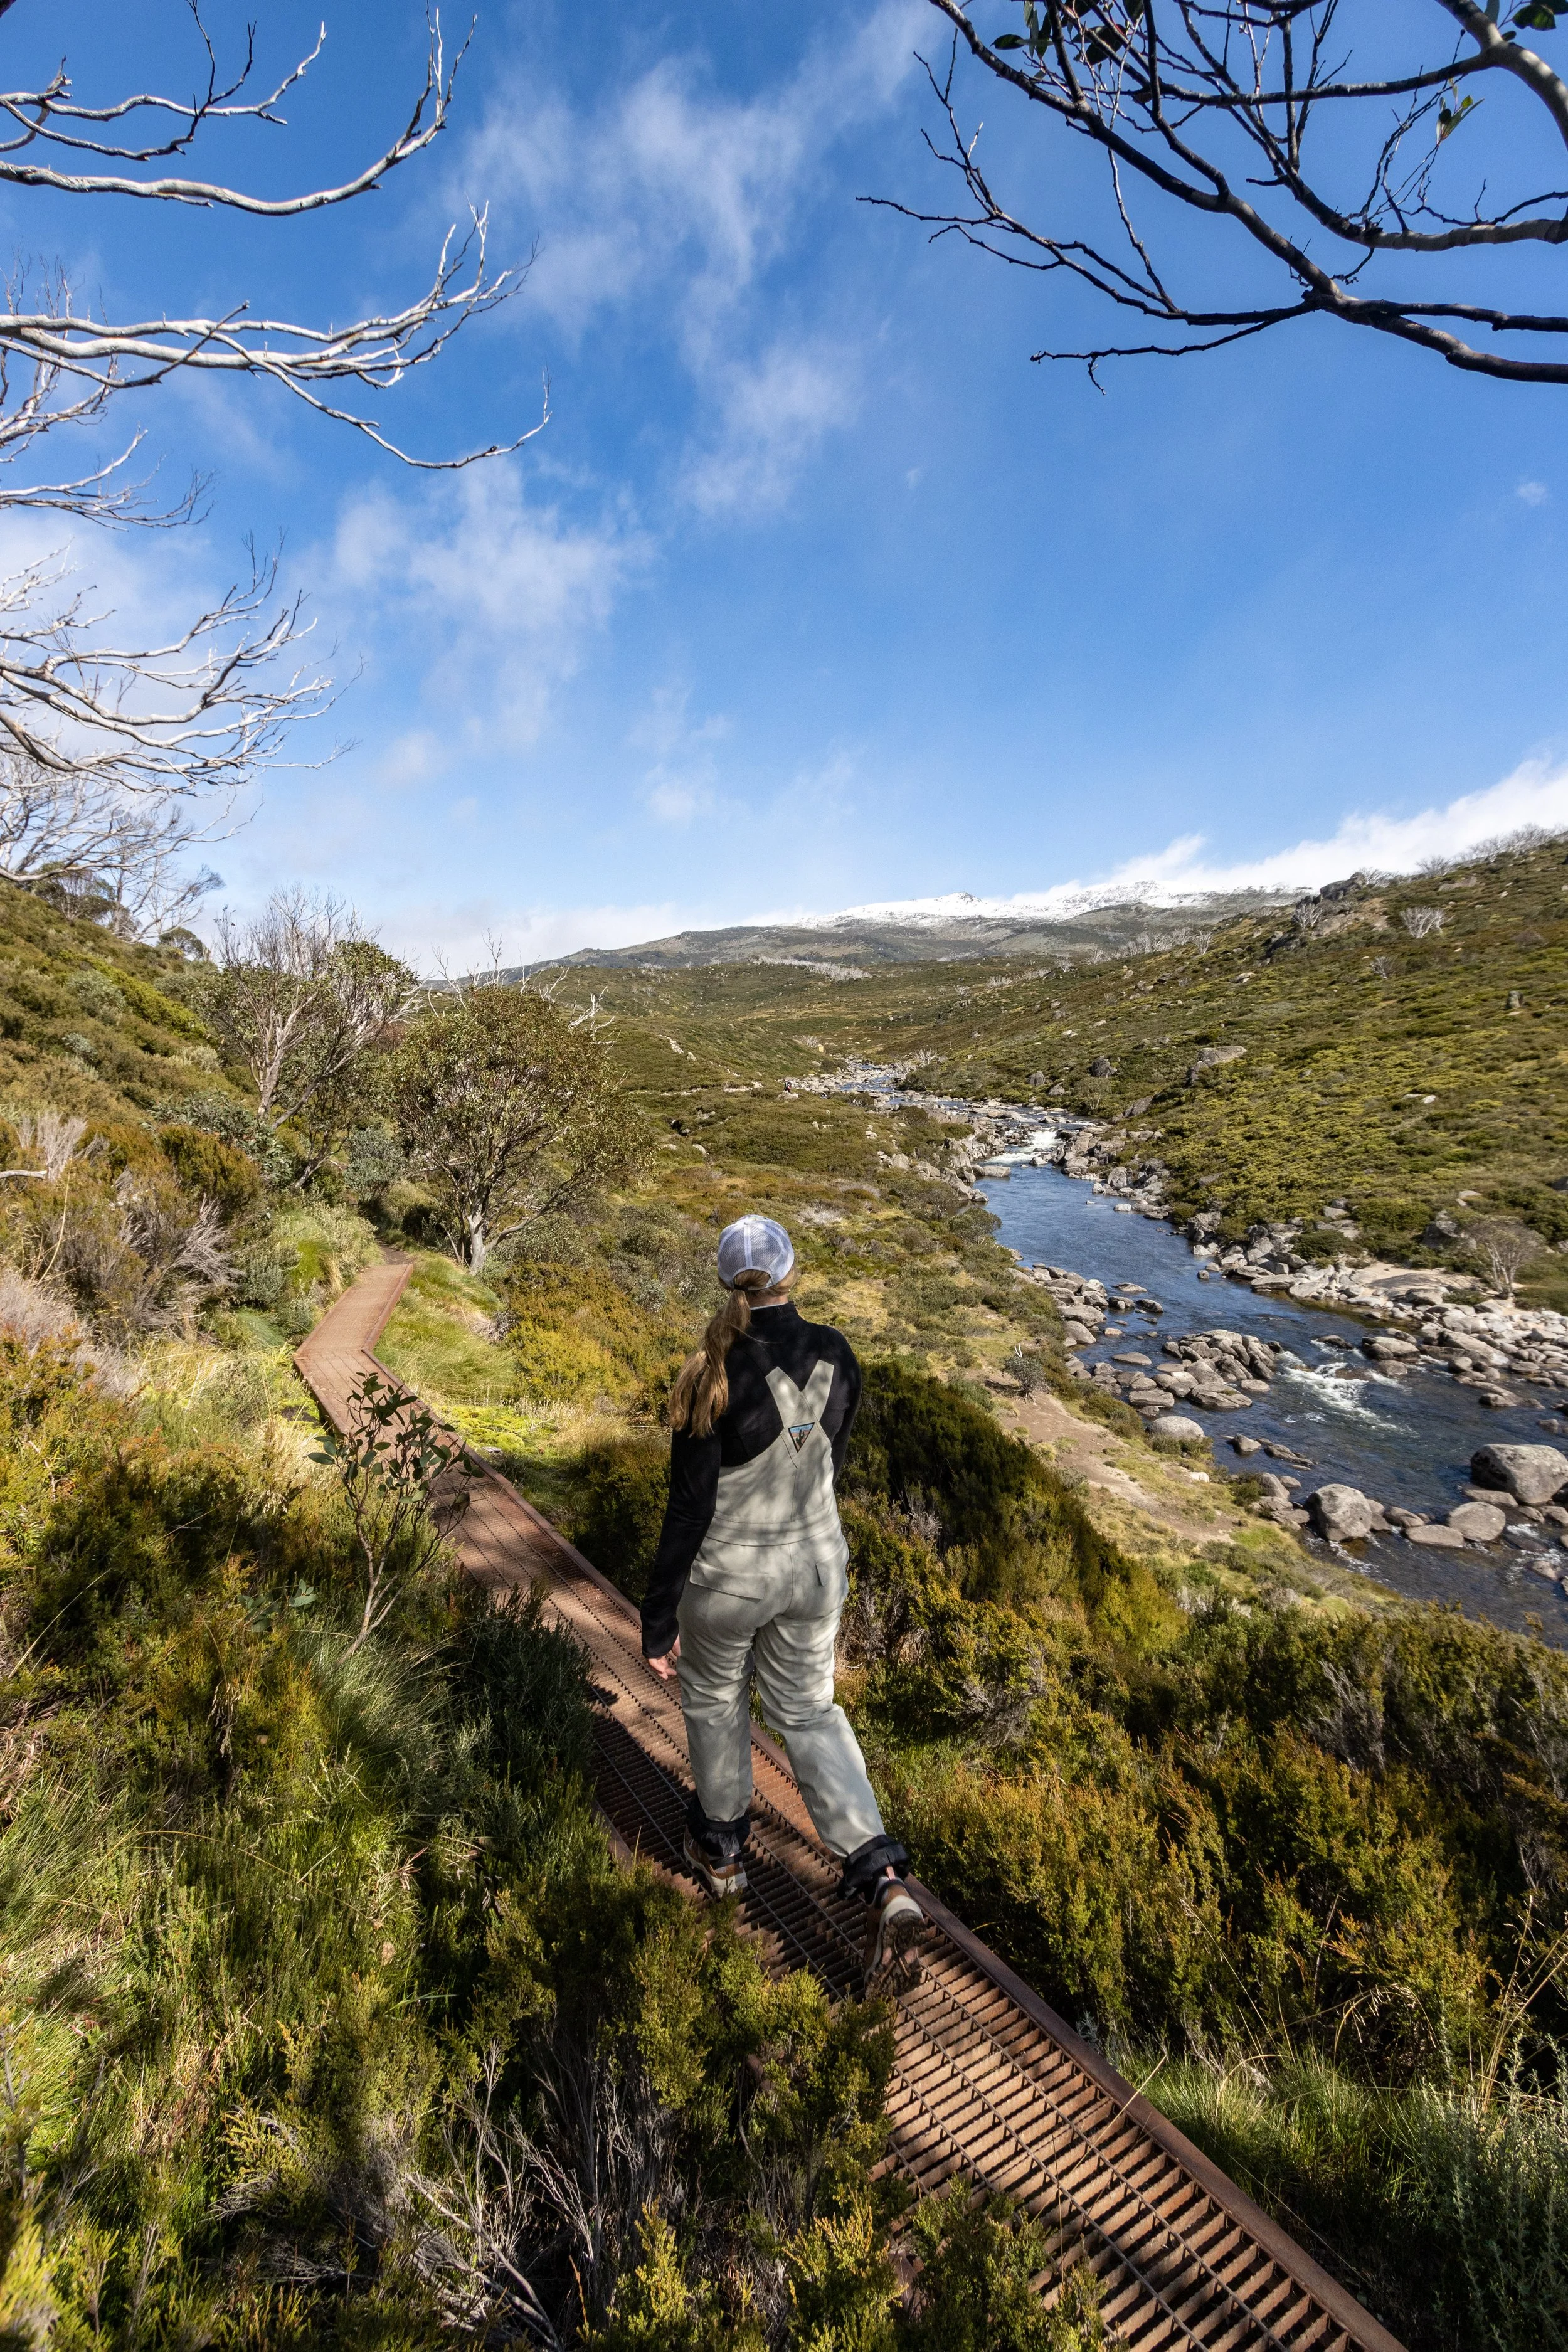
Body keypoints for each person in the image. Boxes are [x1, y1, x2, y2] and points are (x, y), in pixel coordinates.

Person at [641, 1212, 926, 1988]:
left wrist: (657, 1617)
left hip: (729, 1579)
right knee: (807, 1710)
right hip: (816, 1568)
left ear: (726, 1281)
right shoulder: (837, 1350)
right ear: (791, 1272)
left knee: (715, 1702)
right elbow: (830, 1453)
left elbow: (688, 1511)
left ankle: (724, 1850)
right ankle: (877, 1873)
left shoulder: (710, 1369)